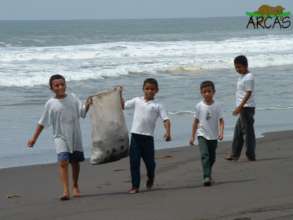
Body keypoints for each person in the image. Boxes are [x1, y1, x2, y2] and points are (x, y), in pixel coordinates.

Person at [27, 74, 92, 201]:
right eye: (56, 85)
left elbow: (82, 113)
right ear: (51, 88)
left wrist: (88, 104)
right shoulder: (50, 104)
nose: (60, 87)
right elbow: (42, 122)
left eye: (62, 84)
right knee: (63, 162)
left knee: (75, 162)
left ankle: (75, 185)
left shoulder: (73, 98)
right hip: (60, 136)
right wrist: (33, 139)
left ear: (66, 85)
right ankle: (65, 191)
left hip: (75, 135)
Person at [122, 78, 171, 194]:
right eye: (147, 89)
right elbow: (123, 105)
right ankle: (135, 186)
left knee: (150, 163)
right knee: (134, 162)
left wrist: (168, 132)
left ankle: (151, 176)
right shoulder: (137, 100)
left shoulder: (158, 106)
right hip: (135, 137)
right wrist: (119, 93)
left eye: (152, 89)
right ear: (143, 89)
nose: (149, 91)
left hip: (148, 138)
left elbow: (166, 120)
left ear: (157, 90)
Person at [189, 81, 224, 186]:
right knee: (205, 155)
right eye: (204, 92)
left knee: (212, 158)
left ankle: (208, 173)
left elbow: (221, 121)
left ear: (214, 92)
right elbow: (195, 122)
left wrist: (221, 133)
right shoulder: (199, 106)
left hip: (213, 136)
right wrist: (192, 137)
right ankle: (206, 177)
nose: (207, 94)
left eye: (209, 91)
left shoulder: (218, 105)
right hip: (202, 134)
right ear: (201, 93)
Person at [226, 55, 256, 161]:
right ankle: (234, 154)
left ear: (246, 65)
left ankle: (250, 154)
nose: (238, 69)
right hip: (243, 108)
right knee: (238, 131)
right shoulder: (242, 76)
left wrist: (239, 107)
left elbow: (248, 93)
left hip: (246, 108)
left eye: (239, 67)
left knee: (247, 132)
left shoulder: (249, 77)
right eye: (236, 67)